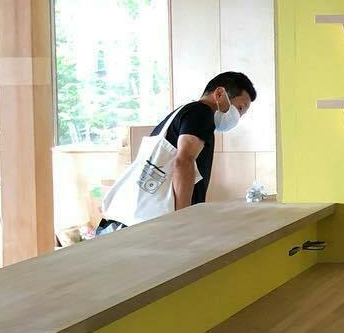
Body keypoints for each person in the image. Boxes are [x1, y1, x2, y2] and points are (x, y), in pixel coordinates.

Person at [97, 71, 257, 233]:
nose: (238, 117)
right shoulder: (202, 113)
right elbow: (184, 161)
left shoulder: (184, 113)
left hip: (132, 223)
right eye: (239, 108)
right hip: (154, 227)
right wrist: (182, 219)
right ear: (220, 94)